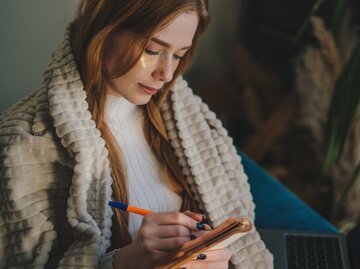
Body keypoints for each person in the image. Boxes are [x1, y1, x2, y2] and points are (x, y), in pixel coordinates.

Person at [0, 0, 273, 268]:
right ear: (103, 31)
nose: (167, 74)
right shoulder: (24, 142)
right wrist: (124, 262)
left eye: (179, 55)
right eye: (153, 50)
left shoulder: (189, 121)